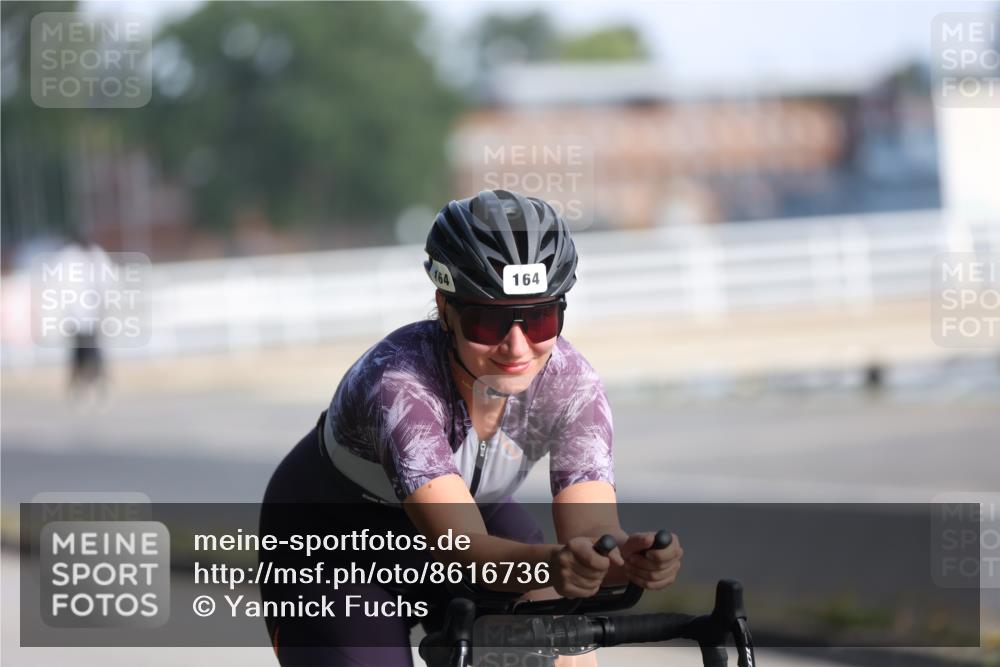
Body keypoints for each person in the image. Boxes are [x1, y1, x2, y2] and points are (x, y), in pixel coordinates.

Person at [260, 190, 683, 666]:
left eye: (542, 319)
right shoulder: (399, 383)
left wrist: (626, 557)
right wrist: (551, 564)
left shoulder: (573, 384)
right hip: (338, 546)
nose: (517, 346)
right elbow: (460, 550)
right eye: (488, 322)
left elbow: (592, 531)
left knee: (566, 647)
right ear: (445, 308)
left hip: (472, 519)